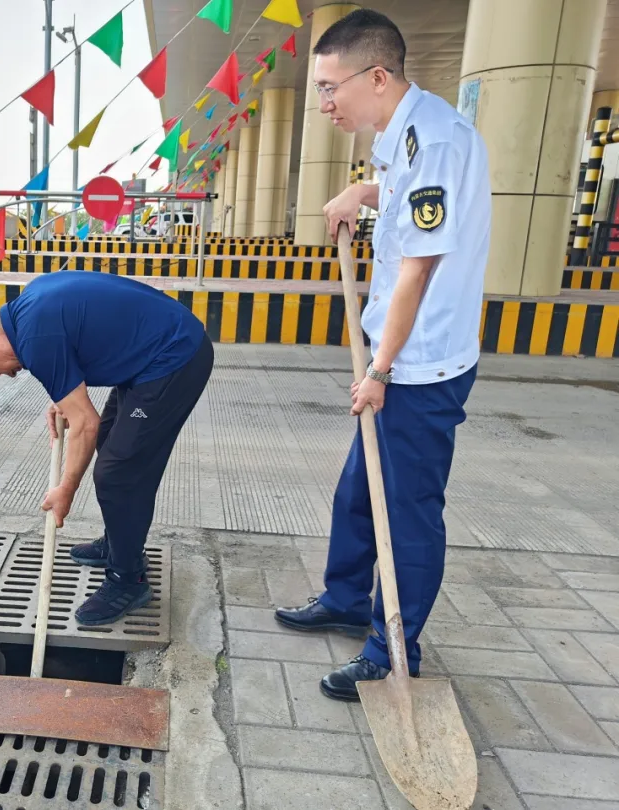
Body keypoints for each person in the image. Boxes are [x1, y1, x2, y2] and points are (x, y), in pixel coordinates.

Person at [274, 9, 491, 701]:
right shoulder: (401, 135)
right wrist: (363, 192)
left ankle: (393, 647)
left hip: (420, 365)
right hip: (399, 354)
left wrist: (378, 370)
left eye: (329, 87)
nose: (325, 103)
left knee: (407, 510)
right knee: (359, 491)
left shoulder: (435, 141)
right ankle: (345, 598)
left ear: (376, 76)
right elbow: (406, 205)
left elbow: (416, 273)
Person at [0, 270, 214, 625]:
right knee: (111, 442)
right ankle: (119, 541)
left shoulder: (34, 338)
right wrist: (62, 395)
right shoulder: (30, 307)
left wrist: (66, 489)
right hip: (152, 351)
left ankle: (128, 579)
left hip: (174, 357)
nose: (11, 375)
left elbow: (84, 424)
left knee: (118, 472)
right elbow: (74, 346)